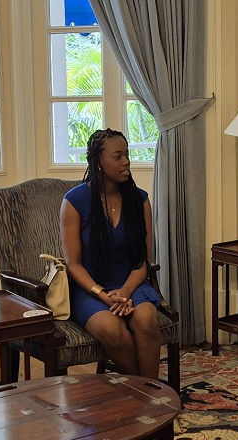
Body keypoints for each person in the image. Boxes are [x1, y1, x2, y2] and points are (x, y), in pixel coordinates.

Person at [60, 128, 163, 379]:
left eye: (127, 155)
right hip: (90, 288)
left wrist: (125, 292)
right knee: (112, 328)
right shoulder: (74, 202)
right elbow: (73, 264)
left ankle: (152, 395)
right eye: (117, 157)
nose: (126, 162)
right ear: (98, 162)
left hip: (131, 282)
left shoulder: (139, 200)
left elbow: (143, 260)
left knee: (146, 319)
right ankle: (144, 394)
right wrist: (104, 295)